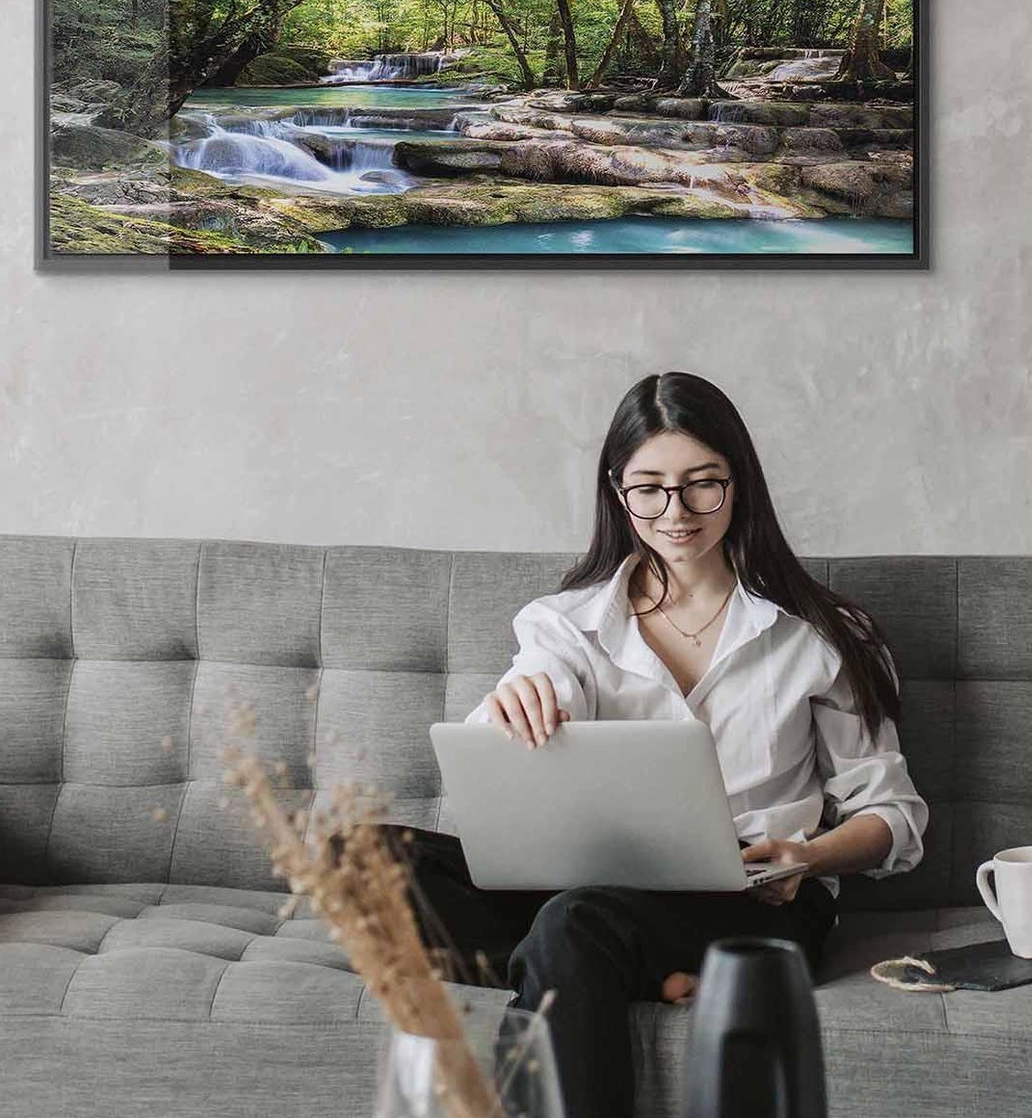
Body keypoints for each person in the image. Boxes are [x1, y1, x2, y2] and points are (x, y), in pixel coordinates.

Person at [379, 371, 927, 1118]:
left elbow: (892, 814)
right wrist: (512, 707)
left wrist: (808, 856)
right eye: (649, 489)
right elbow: (533, 700)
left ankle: (586, 961)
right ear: (617, 492)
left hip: (753, 898)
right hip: (592, 888)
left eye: (702, 484)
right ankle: (610, 966)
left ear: (739, 483)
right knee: (367, 861)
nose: (676, 512)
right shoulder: (565, 625)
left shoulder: (822, 634)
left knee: (574, 924)